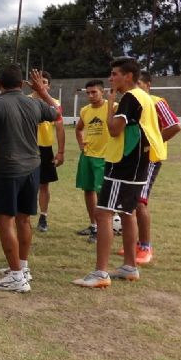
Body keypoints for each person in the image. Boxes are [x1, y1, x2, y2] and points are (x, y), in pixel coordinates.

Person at [72, 58, 166, 288]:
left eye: (115, 74)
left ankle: (100, 273)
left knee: (103, 213)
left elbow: (114, 130)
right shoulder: (145, 98)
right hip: (140, 164)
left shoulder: (130, 98)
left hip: (122, 164)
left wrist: (111, 103)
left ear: (128, 76)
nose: (111, 78)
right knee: (127, 213)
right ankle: (129, 267)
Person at [0, 65, 61, 293]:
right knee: (23, 220)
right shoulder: (35, 103)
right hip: (32, 169)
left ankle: (17, 278)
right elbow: (58, 112)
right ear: (22, 85)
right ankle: (22, 267)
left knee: (5, 222)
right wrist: (42, 92)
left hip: (6, 172)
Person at [117, 70, 181, 264]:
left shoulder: (156, 102)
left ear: (148, 85)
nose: (136, 88)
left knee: (140, 201)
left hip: (150, 159)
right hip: (132, 159)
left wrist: (154, 143)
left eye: (140, 84)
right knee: (130, 201)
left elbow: (175, 126)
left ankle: (145, 247)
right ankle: (136, 244)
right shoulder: (130, 101)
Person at [74, 80, 114, 244]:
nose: (90, 96)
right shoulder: (85, 110)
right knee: (88, 190)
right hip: (88, 155)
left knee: (101, 194)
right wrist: (81, 144)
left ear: (102, 92)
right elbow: (78, 129)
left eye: (94, 92)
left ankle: (102, 229)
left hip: (104, 157)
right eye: (88, 93)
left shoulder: (113, 107)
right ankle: (93, 225)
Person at [31, 71, 65, 232]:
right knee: (22, 182)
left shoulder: (54, 104)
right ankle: (14, 213)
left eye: (44, 81)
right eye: (38, 81)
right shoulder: (25, 100)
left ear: (48, 85)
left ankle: (43, 217)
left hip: (45, 149)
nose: (41, 84)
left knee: (43, 185)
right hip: (27, 148)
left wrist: (61, 152)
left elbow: (59, 128)